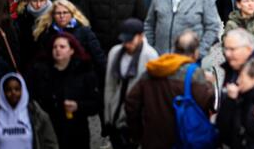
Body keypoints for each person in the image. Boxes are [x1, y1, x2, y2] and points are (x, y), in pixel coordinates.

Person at [124, 31, 216, 149]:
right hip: (183, 139)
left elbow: (131, 102)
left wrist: (138, 132)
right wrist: (209, 84)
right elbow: (208, 102)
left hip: (153, 140)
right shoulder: (194, 73)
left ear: (174, 49)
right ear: (195, 53)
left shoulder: (154, 68)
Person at [28, 33, 99, 149]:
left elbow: (96, 103)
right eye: (55, 47)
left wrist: (78, 106)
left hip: (76, 131)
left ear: (71, 50)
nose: (57, 50)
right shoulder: (41, 72)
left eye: (62, 47)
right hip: (49, 129)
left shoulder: (84, 72)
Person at [102, 18, 157, 149]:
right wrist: (107, 116)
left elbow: (152, 93)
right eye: (124, 40)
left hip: (136, 116)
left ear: (141, 36)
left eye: (130, 40)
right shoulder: (115, 52)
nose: (127, 44)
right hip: (115, 112)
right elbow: (109, 85)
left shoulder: (151, 56)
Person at [32, 0, 106, 76]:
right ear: (53, 15)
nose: (62, 16)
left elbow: (98, 56)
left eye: (65, 12)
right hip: (53, 76)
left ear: (71, 14)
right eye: (58, 13)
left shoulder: (84, 32)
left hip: (79, 75)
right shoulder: (47, 33)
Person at [0, 73, 58, 149]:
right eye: (8, 90)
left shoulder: (37, 114)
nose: (13, 93)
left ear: (23, 90)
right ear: (2, 92)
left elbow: (51, 144)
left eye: (17, 89)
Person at [16, 0, 50, 69]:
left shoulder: (53, 15)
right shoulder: (23, 16)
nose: (38, 5)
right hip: (27, 63)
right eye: (35, 1)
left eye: (42, 0)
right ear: (29, 1)